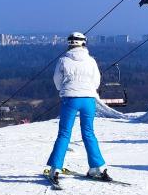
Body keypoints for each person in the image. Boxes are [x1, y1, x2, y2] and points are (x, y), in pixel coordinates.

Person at [45, 32, 111, 185]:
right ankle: (98, 167)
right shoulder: (91, 61)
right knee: (89, 133)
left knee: (64, 134)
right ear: (84, 43)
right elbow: (96, 81)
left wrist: (65, 90)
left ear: (69, 44)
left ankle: (55, 169)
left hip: (70, 98)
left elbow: (57, 80)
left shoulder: (63, 60)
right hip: (89, 100)